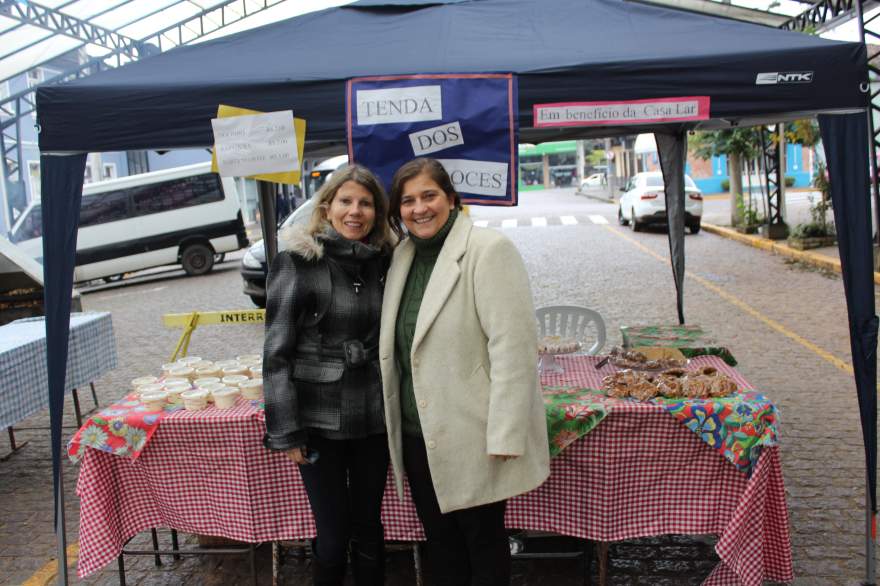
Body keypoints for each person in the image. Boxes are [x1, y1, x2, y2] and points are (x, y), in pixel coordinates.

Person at [379, 158, 550, 585]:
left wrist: (506, 433)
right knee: (440, 543)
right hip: (420, 436)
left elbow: (513, 348)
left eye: (429, 196)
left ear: (451, 199)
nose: (419, 208)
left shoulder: (489, 250)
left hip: (474, 433)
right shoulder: (402, 255)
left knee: (482, 545)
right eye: (408, 200)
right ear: (397, 210)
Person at [263, 164, 395, 586]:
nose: (355, 211)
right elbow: (276, 353)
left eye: (366, 203)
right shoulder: (299, 262)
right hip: (318, 424)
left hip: (374, 417)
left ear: (377, 211)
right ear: (327, 206)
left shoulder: (384, 261)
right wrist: (287, 432)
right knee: (334, 536)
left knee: (370, 529)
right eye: (346, 201)